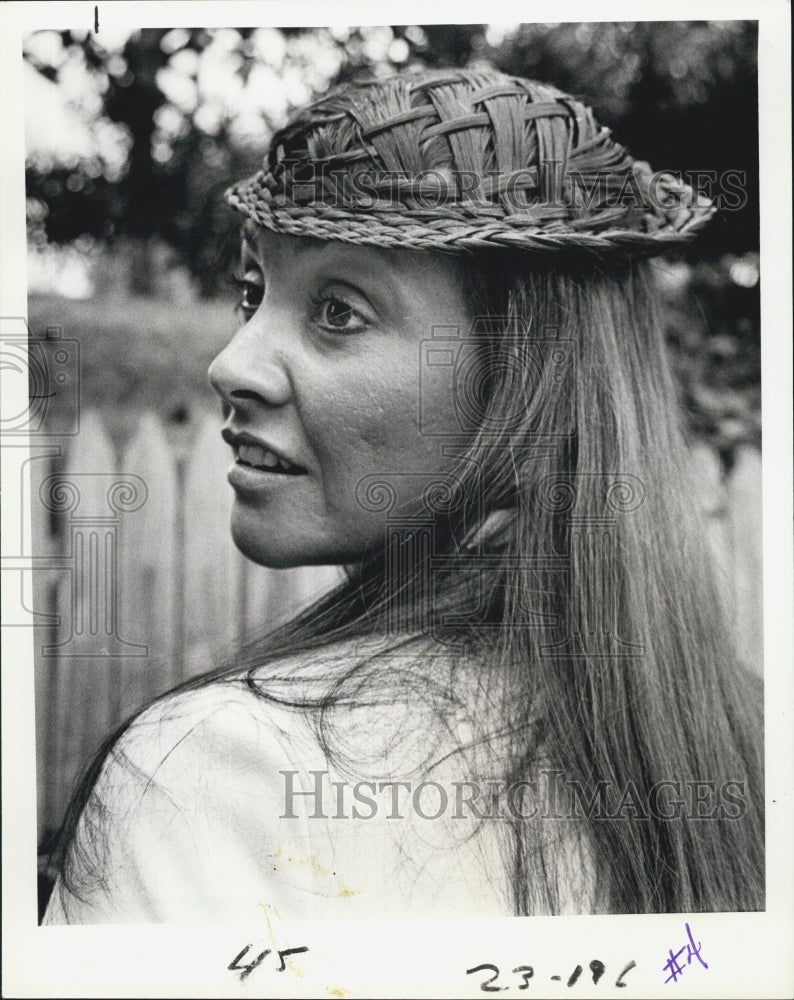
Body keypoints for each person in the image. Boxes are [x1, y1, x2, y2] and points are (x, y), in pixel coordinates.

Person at [43, 66, 764, 923]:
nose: (229, 364)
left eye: (339, 311)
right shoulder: (748, 743)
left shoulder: (217, 771)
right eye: (253, 292)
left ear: (523, 383)